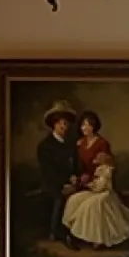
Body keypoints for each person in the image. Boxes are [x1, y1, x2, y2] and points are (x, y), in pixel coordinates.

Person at [62, 152, 129, 249]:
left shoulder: (107, 169)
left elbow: (101, 186)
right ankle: (71, 232)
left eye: (99, 157)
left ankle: (98, 239)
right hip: (97, 192)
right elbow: (96, 184)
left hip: (106, 194)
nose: (96, 158)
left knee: (92, 204)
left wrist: (88, 184)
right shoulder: (99, 169)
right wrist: (86, 183)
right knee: (75, 199)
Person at [36, 100, 80, 246]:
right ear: (54, 124)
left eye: (66, 123)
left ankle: (78, 233)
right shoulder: (45, 146)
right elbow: (48, 171)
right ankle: (57, 232)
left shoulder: (70, 144)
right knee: (61, 197)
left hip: (69, 183)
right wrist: (64, 184)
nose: (63, 126)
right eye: (60, 123)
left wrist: (74, 177)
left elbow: (73, 166)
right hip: (52, 183)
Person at [76, 111, 112, 187]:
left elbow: (105, 168)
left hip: (97, 183)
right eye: (83, 125)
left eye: (88, 125)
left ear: (94, 126)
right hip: (81, 182)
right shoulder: (79, 143)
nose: (84, 128)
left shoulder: (102, 143)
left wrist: (90, 176)